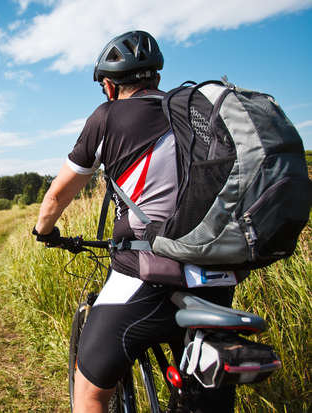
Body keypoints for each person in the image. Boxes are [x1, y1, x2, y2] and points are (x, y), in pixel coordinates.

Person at [32, 31, 235, 412]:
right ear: (156, 77)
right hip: (218, 274)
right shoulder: (197, 114)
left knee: (89, 389)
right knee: (206, 385)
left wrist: (43, 230)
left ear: (109, 87)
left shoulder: (106, 117)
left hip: (147, 274)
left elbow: (59, 194)